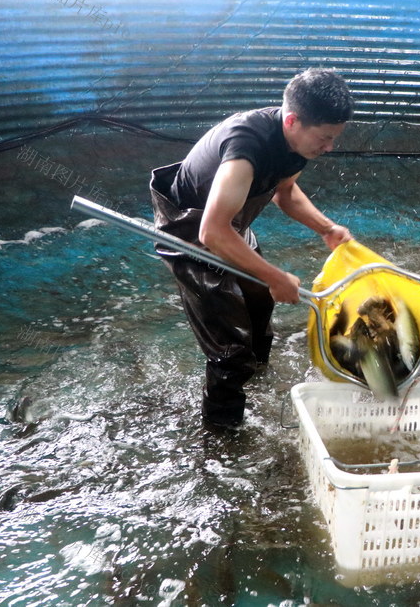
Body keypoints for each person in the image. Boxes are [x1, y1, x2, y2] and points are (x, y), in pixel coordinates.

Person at [149, 69, 354, 429]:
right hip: (189, 231)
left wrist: (328, 229)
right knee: (230, 352)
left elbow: (285, 192)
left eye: (334, 138)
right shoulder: (246, 148)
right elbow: (211, 232)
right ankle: (222, 441)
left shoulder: (294, 143)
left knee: (261, 299)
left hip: (231, 224)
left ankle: (256, 378)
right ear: (293, 121)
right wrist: (277, 276)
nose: (329, 147)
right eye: (324, 138)